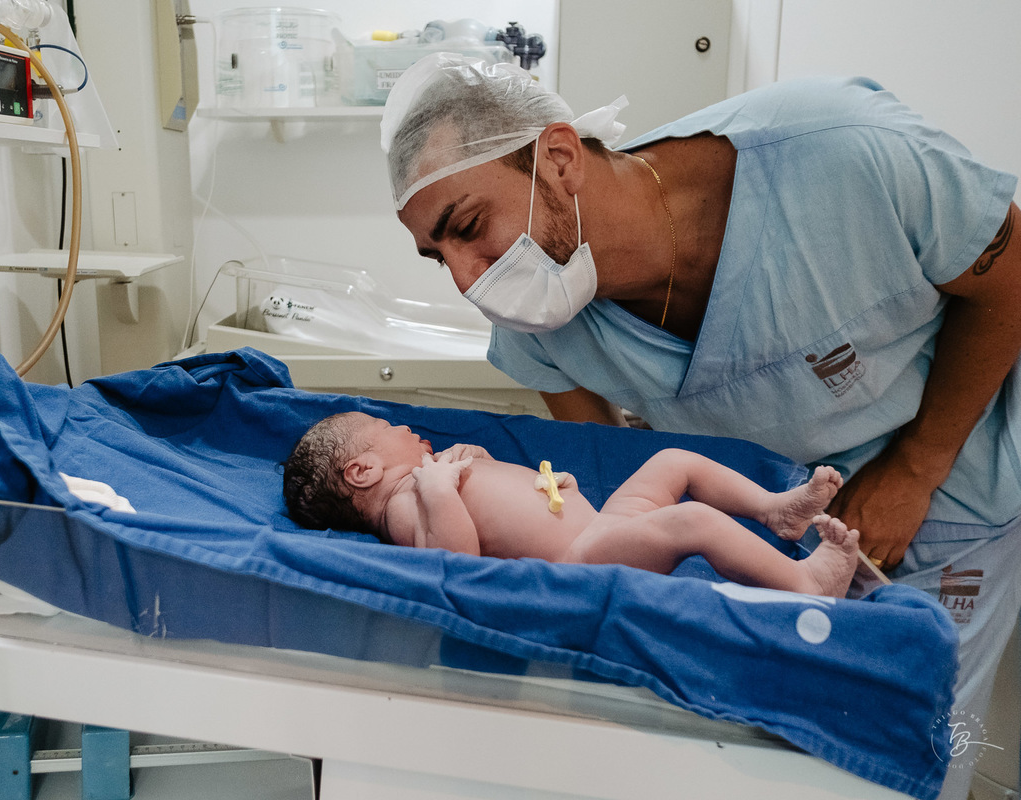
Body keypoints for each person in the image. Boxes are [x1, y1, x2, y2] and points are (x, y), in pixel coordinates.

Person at [381, 54, 1021, 798]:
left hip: (951, 495)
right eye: (438, 257)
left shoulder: (842, 156)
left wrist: (917, 470)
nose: (467, 278)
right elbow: (605, 472)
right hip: (764, 534)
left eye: (468, 226)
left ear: (557, 159)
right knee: (791, 765)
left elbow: (1009, 281)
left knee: (905, 760)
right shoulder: (537, 320)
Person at [283, 411, 860, 597]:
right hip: (586, 557)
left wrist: (475, 460)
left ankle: (772, 509)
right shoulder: (406, 505)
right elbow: (454, 564)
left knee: (672, 463)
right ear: (362, 472)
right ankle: (804, 583)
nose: (407, 427)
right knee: (691, 521)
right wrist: (438, 487)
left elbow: (494, 502)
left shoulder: (432, 475)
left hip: (599, 525)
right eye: (388, 427)